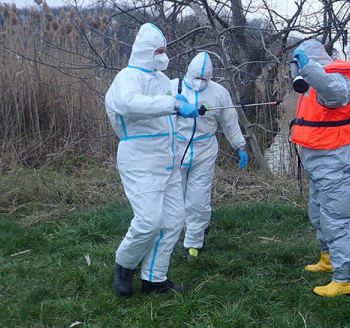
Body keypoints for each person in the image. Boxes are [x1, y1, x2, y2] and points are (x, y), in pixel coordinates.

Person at [105, 23, 199, 296]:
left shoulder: (159, 79)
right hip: (140, 161)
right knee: (149, 221)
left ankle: (155, 279)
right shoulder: (127, 77)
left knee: (173, 219)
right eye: (159, 50)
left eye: (165, 50)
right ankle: (124, 265)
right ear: (147, 51)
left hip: (168, 160)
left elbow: (164, 109)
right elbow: (129, 105)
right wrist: (174, 105)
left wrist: (178, 108)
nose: (163, 55)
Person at [291, 40, 350, 297]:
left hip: (333, 158)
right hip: (318, 159)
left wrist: (309, 69)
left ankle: (343, 278)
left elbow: (335, 95)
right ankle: (327, 258)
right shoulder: (313, 79)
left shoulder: (336, 78)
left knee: (336, 219)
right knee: (318, 214)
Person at [171, 52, 248, 260]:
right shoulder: (173, 87)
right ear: (188, 73)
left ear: (210, 77)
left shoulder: (219, 93)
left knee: (198, 199)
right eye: (196, 78)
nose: (199, 83)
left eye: (203, 79)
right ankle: (169, 238)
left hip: (204, 151)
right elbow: (155, 114)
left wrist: (239, 146)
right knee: (175, 199)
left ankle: (194, 243)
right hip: (176, 150)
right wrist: (172, 106)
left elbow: (230, 121)